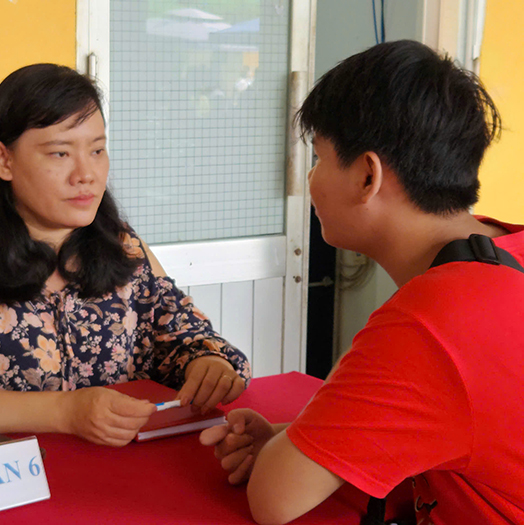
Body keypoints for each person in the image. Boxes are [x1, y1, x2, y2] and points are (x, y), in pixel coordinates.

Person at [201, 40, 524, 525]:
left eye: (319, 157)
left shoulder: (429, 324)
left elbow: (274, 499)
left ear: (366, 177)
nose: (312, 179)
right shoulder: (506, 250)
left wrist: (283, 453)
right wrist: (298, 439)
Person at [0, 64, 250, 447]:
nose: (86, 174)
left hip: (112, 465)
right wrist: (65, 412)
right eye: (59, 153)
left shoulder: (122, 245)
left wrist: (208, 363)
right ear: (4, 161)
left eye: (97, 150)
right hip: (9, 473)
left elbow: (189, 338)